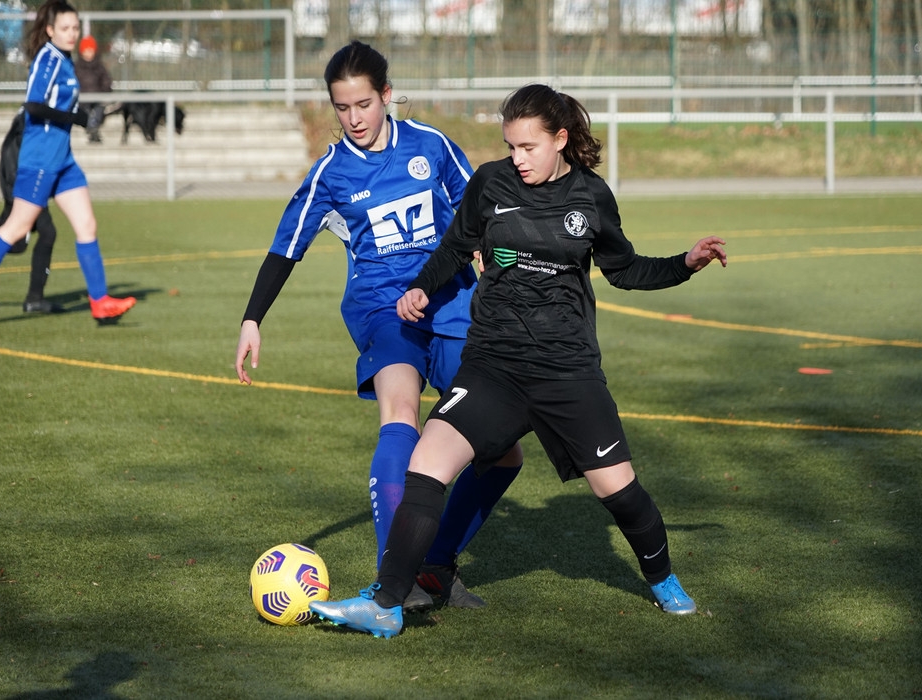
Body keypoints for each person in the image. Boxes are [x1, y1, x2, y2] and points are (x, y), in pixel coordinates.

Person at [310, 84, 729, 638]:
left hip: (567, 369)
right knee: (426, 464)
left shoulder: (591, 195)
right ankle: (387, 602)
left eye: (529, 147)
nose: (519, 158)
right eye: (511, 146)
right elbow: (454, 247)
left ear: (560, 139)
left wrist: (685, 263)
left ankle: (663, 579)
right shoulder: (491, 183)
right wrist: (420, 288)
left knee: (621, 494)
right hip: (493, 364)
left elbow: (625, 269)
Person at [235, 40, 523, 612]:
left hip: (452, 303)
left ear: (386, 95)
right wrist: (252, 318)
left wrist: (496, 261)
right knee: (401, 412)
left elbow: (481, 211)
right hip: (381, 308)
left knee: (503, 451)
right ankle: (397, 578)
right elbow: (285, 248)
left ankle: (433, 564)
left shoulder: (431, 145)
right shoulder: (330, 173)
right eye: (342, 108)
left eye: (363, 104)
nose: (354, 118)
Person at [0, 1, 135, 323]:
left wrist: (84, 116)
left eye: (75, 28)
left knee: (87, 225)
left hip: (63, 160)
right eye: (65, 28)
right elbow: (33, 106)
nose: (72, 34)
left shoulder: (65, 59)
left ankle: (100, 302)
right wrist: (78, 118)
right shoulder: (47, 58)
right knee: (16, 228)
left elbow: (62, 106)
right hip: (41, 159)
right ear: (50, 30)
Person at [0, 110, 62, 313]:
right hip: (22, 186)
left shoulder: (32, 115)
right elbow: (16, 155)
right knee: (47, 233)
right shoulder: (33, 117)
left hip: (21, 184)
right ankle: (35, 299)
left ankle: (35, 298)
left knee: (15, 242)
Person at [73, 34, 112, 144]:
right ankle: (92, 129)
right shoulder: (76, 67)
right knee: (85, 112)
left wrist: (104, 91)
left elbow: (106, 80)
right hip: (82, 99)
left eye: (91, 50)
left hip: (97, 98)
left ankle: (93, 129)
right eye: (86, 50)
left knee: (98, 111)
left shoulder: (99, 66)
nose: (89, 53)